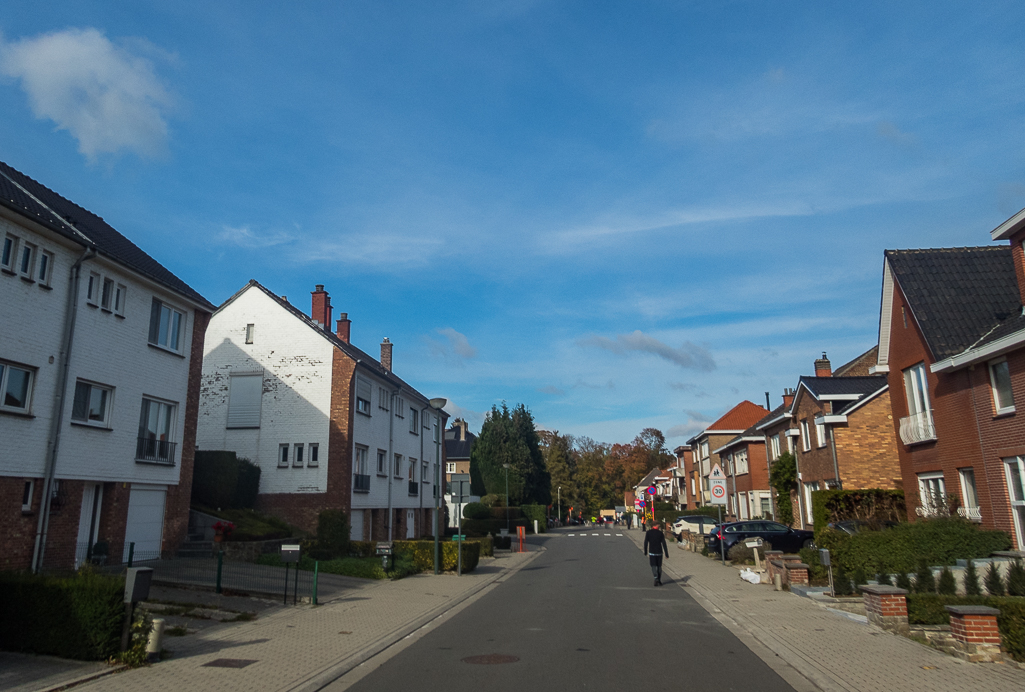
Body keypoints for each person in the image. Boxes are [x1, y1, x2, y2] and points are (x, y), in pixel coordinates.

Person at [644, 521, 669, 586]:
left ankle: (656, 578)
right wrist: (666, 553)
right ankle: (659, 579)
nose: (659, 526)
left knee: (653, 565)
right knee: (659, 566)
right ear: (656, 525)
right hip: (659, 551)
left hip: (652, 551)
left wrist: (645, 551)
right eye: (658, 525)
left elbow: (646, 542)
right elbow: (664, 543)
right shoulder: (660, 533)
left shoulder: (648, 533)